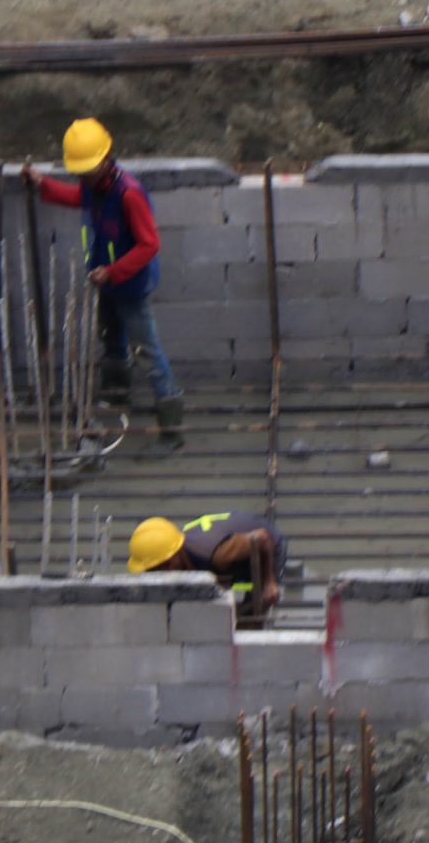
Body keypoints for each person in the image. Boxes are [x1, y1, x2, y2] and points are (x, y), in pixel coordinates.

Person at [26, 117, 184, 445]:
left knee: (146, 351)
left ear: (106, 158)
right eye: (80, 171)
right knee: (111, 338)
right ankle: (116, 395)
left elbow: (149, 244)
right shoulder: (95, 186)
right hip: (107, 283)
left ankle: (171, 425)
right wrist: (43, 184)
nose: (82, 176)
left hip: (130, 285)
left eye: (88, 169)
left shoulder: (128, 194)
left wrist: (113, 272)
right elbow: (77, 198)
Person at [128, 511, 286, 624]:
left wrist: (269, 582)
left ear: (171, 560)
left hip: (266, 547)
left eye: (157, 571)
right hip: (226, 553)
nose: (156, 577)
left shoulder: (218, 554)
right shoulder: (183, 551)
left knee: (251, 615)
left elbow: (264, 538)